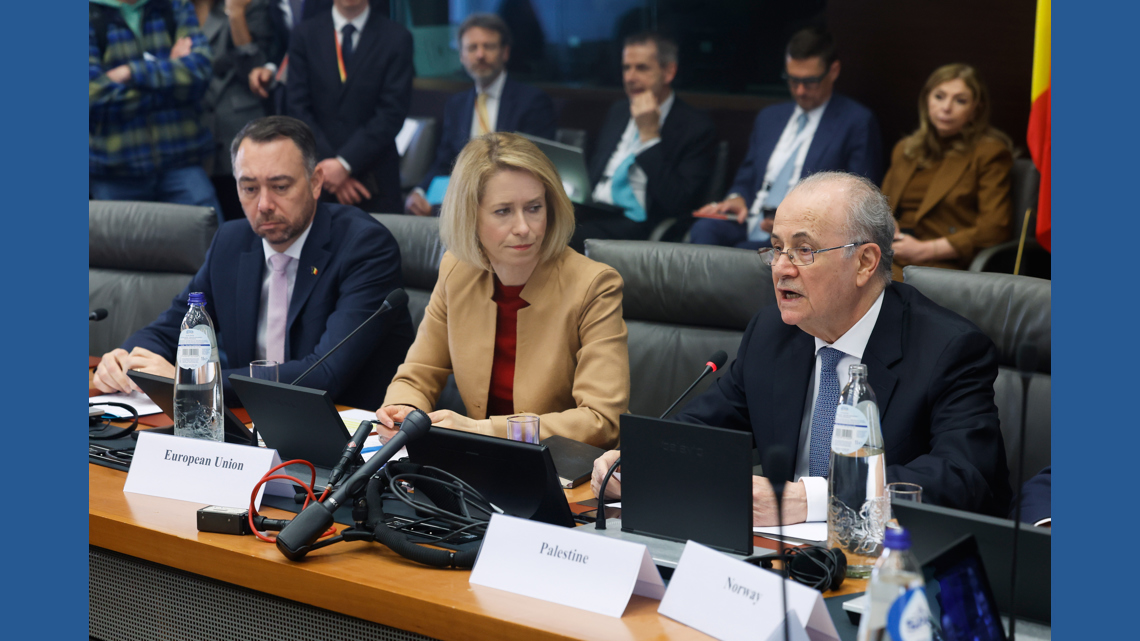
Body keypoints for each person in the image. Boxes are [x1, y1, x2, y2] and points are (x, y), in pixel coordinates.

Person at [591, 171, 1011, 525]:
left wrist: (814, 500)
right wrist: (642, 461)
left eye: (803, 250)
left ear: (865, 262)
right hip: (778, 557)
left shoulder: (947, 349)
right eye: (776, 248)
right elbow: (705, 429)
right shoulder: (773, 333)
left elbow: (965, 477)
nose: (780, 268)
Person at [92, 116, 415, 410]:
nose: (263, 205)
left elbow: (324, 373)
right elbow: (171, 329)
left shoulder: (364, 246)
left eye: (280, 187)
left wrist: (197, 381)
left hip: (346, 429)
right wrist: (126, 360)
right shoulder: (232, 241)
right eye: (249, 188)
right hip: (249, 422)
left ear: (316, 181)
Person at [376, 133, 629, 448]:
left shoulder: (594, 285)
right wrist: (403, 410)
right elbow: (418, 373)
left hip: (564, 467)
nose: (523, 227)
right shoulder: (457, 270)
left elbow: (602, 420)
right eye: (503, 211)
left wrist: (480, 431)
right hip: (480, 462)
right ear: (470, 216)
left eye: (534, 208)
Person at [690, 28, 882, 250]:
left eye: (810, 82)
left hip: (803, 234)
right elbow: (747, 175)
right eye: (792, 80)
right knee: (704, 229)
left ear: (833, 71)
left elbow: (857, 202)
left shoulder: (856, 122)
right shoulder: (770, 117)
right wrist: (737, 197)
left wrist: (792, 221)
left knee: (746, 254)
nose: (800, 91)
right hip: (750, 219)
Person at [573, 32, 716, 249]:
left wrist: (649, 138)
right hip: (595, 209)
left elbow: (678, 204)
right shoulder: (619, 111)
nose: (630, 77)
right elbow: (595, 173)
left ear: (669, 72)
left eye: (641, 68)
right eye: (626, 68)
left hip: (640, 223)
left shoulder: (695, 126)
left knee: (559, 237)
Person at [405, 13, 556, 217]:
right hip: (462, 204)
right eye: (472, 48)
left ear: (505, 52)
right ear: (461, 56)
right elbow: (444, 162)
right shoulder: (456, 105)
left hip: (510, 203)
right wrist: (420, 191)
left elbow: (533, 166)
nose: (480, 55)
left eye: (489, 46)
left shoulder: (532, 102)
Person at [89, 0, 223, 219]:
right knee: (120, 242)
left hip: (181, 161)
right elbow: (92, 96)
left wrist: (129, 72)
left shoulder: (174, 5)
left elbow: (201, 70)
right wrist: (168, 74)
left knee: (211, 237)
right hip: (115, 171)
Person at [881, 64, 1013, 280]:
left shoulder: (989, 153)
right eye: (939, 96)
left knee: (864, 284)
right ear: (926, 100)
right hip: (891, 252)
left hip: (940, 263)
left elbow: (994, 229)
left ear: (976, 109)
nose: (946, 107)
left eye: (960, 100)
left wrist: (925, 250)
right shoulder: (905, 149)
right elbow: (881, 203)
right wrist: (886, 222)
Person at [285, 0, 413, 213]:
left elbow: (392, 112)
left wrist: (345, 164)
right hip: (317, 176)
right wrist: (330, 167)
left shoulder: (397, 38)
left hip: (374, 179)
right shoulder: (304, 34)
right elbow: (297, 108)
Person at [196, 0, 276, 222]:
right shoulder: (174, 9)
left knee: (247, 214)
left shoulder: (249, 5)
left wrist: (236, 16)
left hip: (237, 124)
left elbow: (256, 72)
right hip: (194, 130)